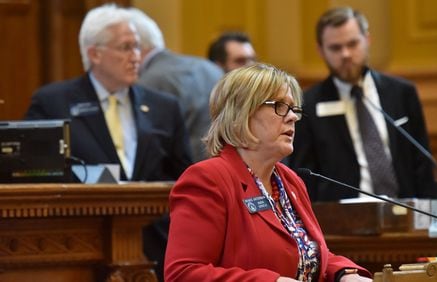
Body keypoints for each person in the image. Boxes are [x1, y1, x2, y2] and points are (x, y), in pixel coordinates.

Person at [164, 63, 372, 281]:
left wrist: (343, 273)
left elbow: (306, 252)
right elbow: (183, 273)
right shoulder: (208, 179)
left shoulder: (289, 181)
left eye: (293, 108)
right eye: (280, 106)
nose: (292, 117)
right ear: (241, 113)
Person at [289, 7, 437, 201]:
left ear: (367, 40)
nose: (346, 54)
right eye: (335, 48)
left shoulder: (402, 93)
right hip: (343, 220)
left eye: (352, 44)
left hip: (406, 210)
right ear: (321, 51)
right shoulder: (308, 104)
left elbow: (422, 163)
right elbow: (304, 177)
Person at [24, 4, 192, 182]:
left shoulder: (164, 107)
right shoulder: (52, 104)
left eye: (137, 47)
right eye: (126, 47)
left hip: (153, 209)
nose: (135, 57)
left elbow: (184, 178)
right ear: (95, 54)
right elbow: (34, 175)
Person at [128, 8, 224, 162]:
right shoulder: (210, 67)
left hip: (184, 173)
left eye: (127, 46)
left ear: (138, 44)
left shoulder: (149, 81)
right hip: (226, 169)